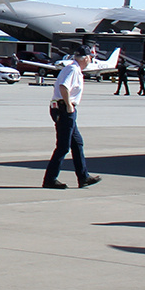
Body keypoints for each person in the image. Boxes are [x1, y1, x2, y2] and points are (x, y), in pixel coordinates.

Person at [44, 49, 100, 189]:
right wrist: (69, 105)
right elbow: (64, 86)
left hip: (64, 108)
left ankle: (83, 177)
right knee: (63, 146)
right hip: (65, 109)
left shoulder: (73, 68)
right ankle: (50, 179)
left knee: (77, 143)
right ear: (85, 58)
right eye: (90, 57)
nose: (91, 60)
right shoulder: (73, 69)